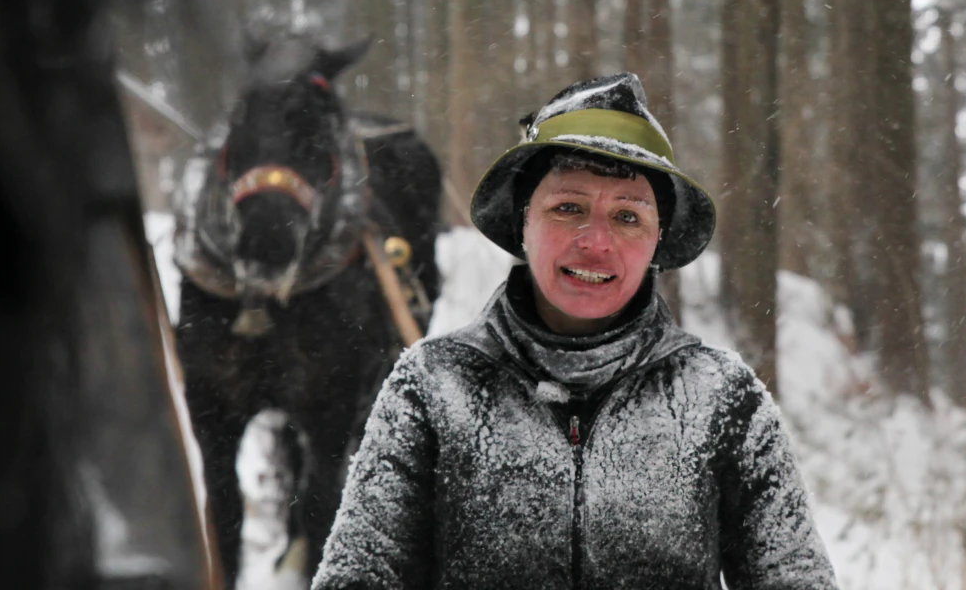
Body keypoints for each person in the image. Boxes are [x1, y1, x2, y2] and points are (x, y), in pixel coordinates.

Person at [312, 74, 838, 589]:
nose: (596, 241)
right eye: (568, 208)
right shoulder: (431, 388)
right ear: (523, 223)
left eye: (628, 217)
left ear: (658, 240)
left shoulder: (721, 398)